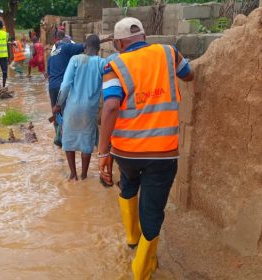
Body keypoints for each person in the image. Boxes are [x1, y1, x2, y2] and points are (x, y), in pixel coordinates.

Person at [98, 17, 194, 280]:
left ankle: (131, 239)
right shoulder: (168, 52)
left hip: (125, 152)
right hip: (162, 153)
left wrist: (103, 152)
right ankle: (142, 271)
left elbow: (111, 106)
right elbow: (189, 74)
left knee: (128, 186)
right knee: (152, 209)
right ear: (143, 35)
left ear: (118, 43)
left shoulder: (113, 64)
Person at [52, 35, 106, 181]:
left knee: (68, 139)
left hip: (72, 107)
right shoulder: (102, 62)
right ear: (99, 49)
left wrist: (58, 104)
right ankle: (84, 175)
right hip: (90, 109)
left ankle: (73, 174)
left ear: (85, 46)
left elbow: (66, 85)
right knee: (87, 141)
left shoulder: (75, 59)